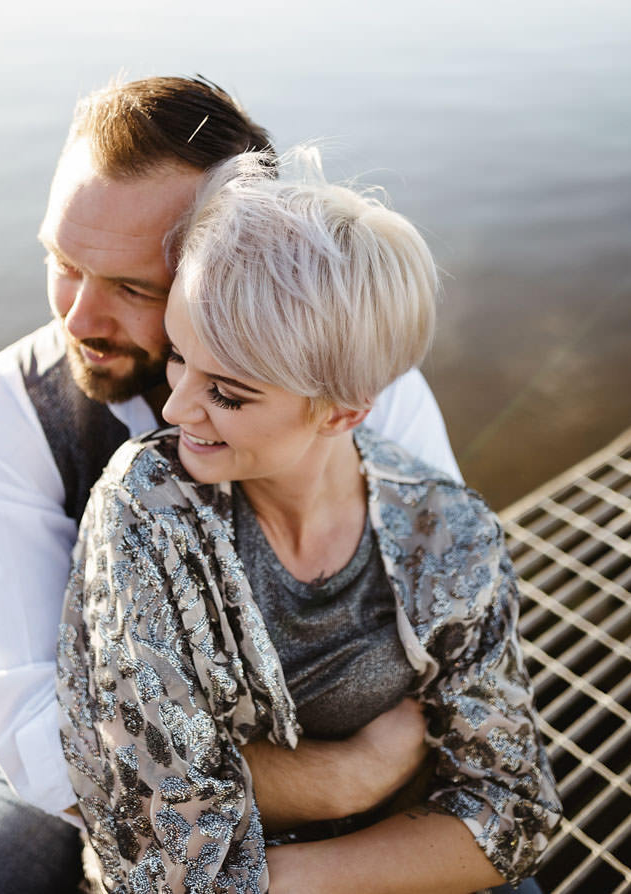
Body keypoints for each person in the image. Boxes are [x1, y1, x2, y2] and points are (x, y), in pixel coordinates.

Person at [0, 77, 463, 894]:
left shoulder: (355, 383)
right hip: (93, 748)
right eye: (61, 263)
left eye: (133, 288)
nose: (76, 318)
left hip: (336, 705)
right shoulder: (9, 417)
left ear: (231, 257)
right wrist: (336, 779)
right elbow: (37, 742)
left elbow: (451, 648)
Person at [57, 148, 560, 893]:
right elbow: (157, 845)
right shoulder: (146, 508)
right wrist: (351, 783)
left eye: (226, 392)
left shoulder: (449, 533)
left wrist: (290, 878)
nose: (174, 409)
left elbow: (513, 810)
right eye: (179, 359)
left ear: (343, 411)